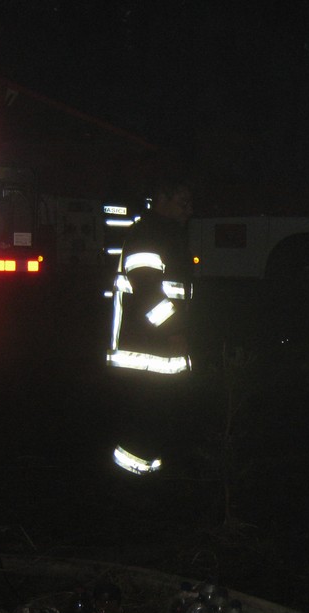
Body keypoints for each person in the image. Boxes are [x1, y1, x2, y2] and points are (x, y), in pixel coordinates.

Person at [106, 171, 196, 476]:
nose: (189, 210)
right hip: (143, 353)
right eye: (183, 202)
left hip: (157, 354)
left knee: (153, 427)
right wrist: (175, 332)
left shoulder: (165, 235)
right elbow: (147, 294)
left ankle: (145, 481)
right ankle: (129, 485)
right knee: (142, 427)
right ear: (162, 200)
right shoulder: (148, 236)